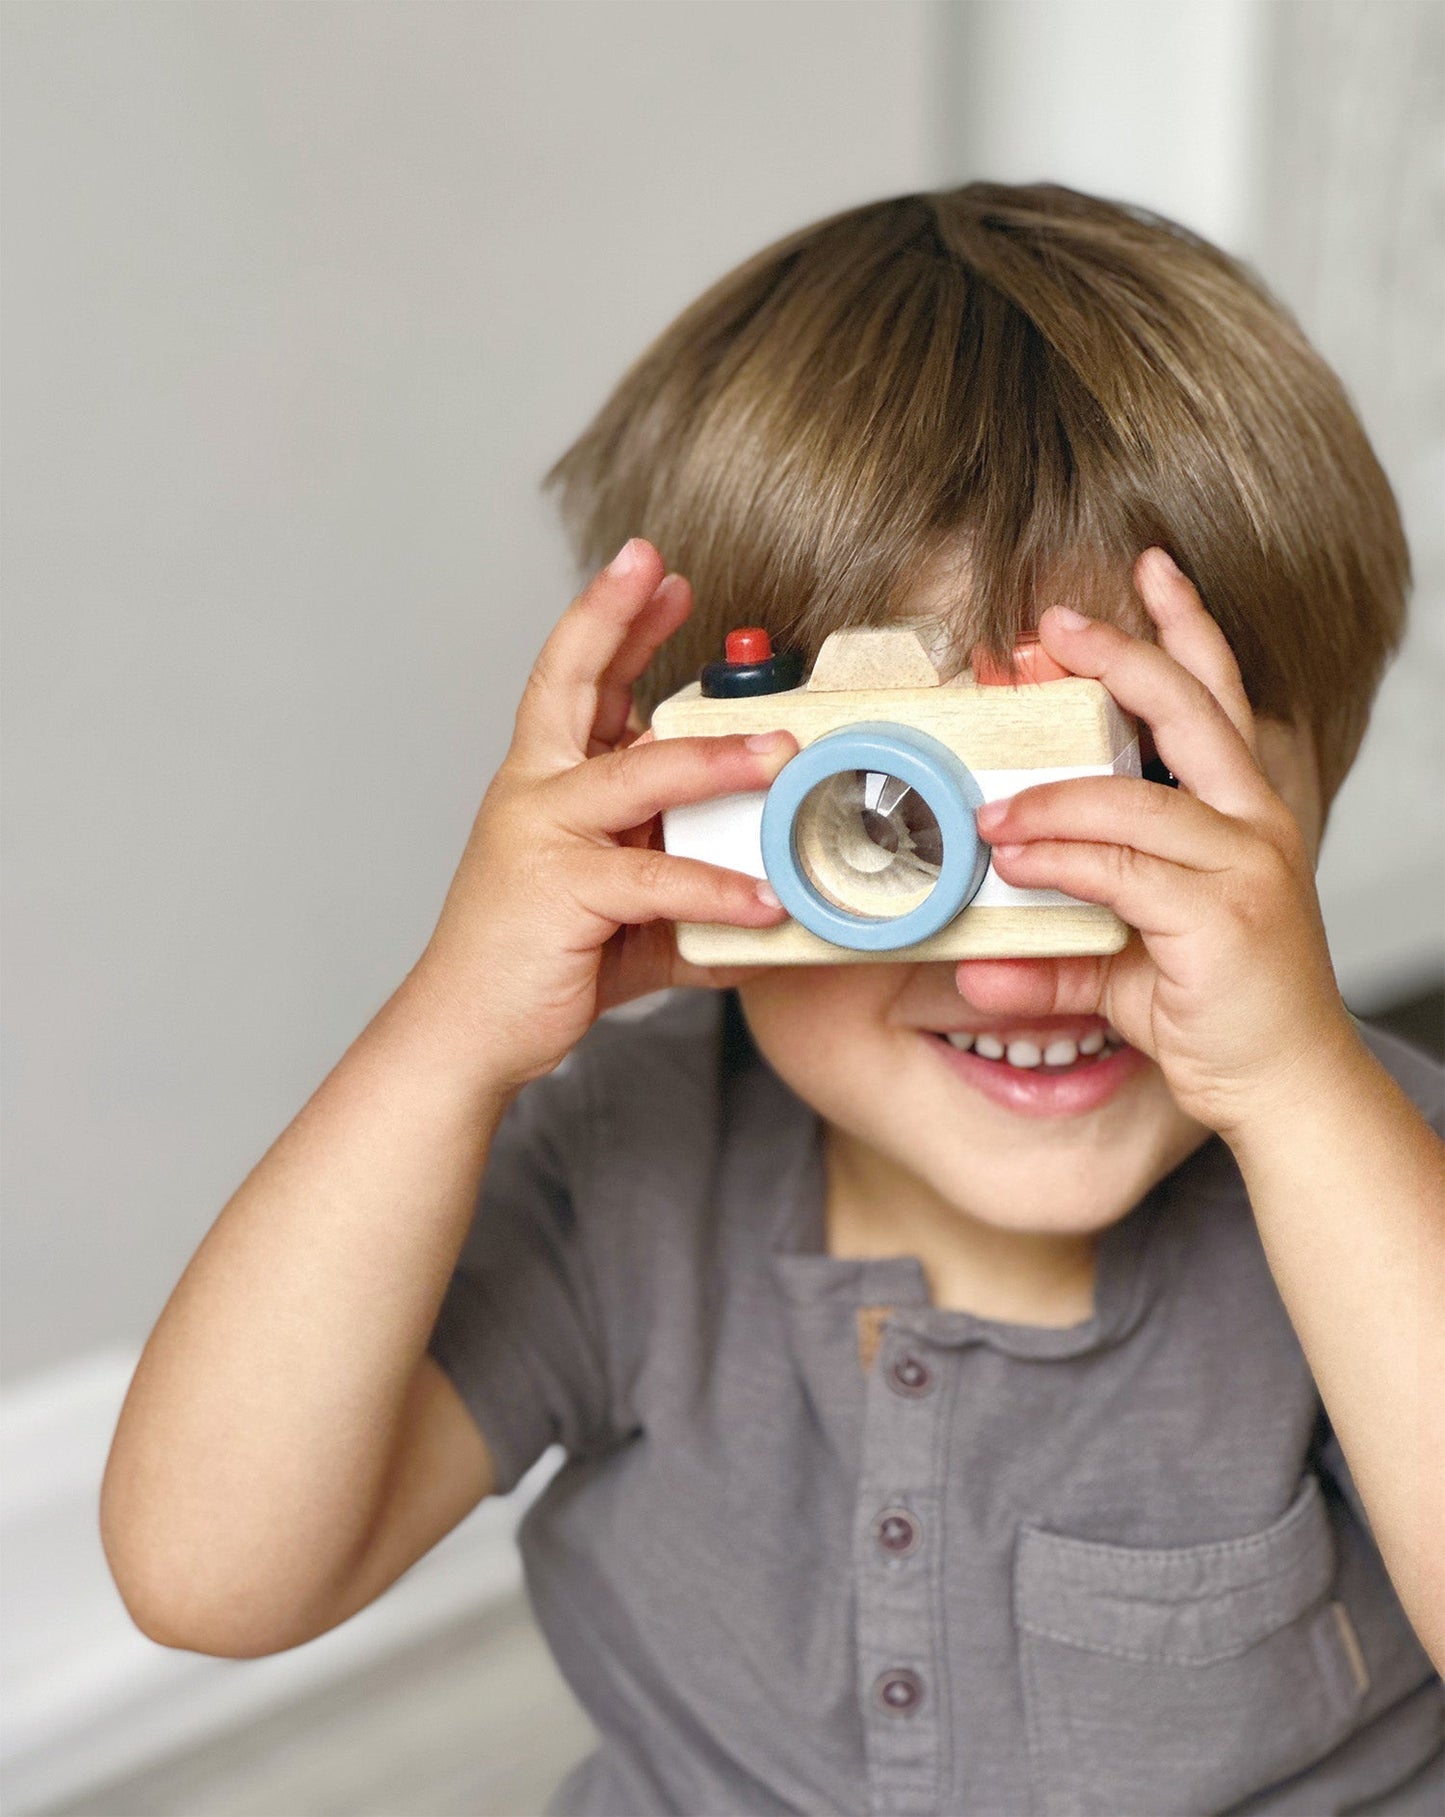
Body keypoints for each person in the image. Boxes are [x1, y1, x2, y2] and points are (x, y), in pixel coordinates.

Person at [101, 184, 1444, 1813]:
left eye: (1141, 802)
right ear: (695, 799)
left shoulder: (1379, 1179)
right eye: (891, 826)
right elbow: (212, 1574)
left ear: (1315, 795)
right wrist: (447, 1036)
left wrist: (1298, 1099)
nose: (1021, 960)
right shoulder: (628, 1166)